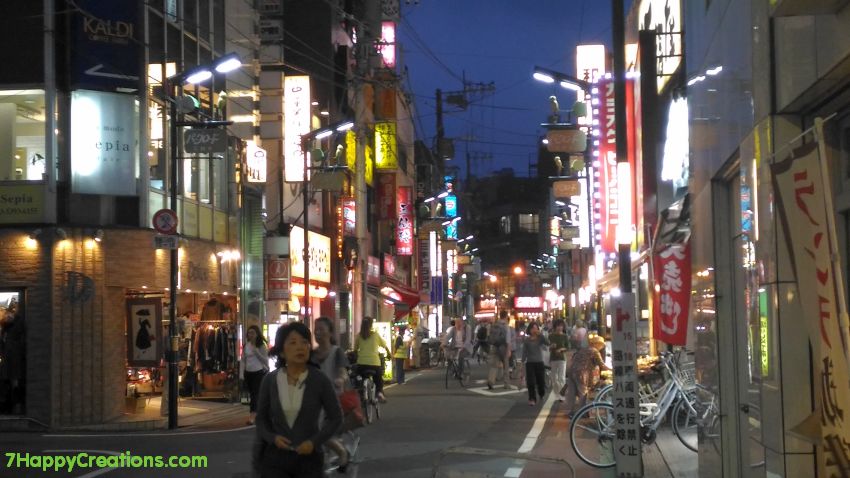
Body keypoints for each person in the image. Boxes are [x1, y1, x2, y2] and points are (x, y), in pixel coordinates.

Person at [254, 322, 342, 478]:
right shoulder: (270, 380)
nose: (300, 347)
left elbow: (336, 418)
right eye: (293, 342)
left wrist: (314, 442)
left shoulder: (319, 380)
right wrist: (273, 438)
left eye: (304, 342)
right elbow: (261, 418)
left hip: (309, 460)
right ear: (282, 351)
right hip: (276, 459)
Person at [313, 316, 350, 472]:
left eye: (321, 329)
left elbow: (343, 372)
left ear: (330, 333)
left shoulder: (337, 352)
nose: (318, 332)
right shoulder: (311, 354)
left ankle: (342, 452)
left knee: (318, 431)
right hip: (314, 401)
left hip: (333, 400)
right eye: (316, 329)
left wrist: (340, 380)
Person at [563, 335, 610, 417]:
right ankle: (583, 412)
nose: (601, 347)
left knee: (571, 392)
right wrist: (612, 370)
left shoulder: (583, 349)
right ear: (596, 344)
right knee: (583, 393)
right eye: (601, 345)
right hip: (581, 373)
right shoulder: (594, 351)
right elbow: (602, 365)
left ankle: (569, 411)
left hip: (572, 371)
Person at [353, 317, 391, 402]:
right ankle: (379, 393)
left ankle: (361, 391)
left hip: (361, 364)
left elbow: (355, 350)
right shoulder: (375, 335)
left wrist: (357, 357)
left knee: (358, 376)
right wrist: (389, 354)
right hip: (374, 363)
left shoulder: (359, 336)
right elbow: (384, 346)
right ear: (371, 325)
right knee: (378, 379)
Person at [240, 325, 269, 425]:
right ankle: (260, 413)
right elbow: (243, 360)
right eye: (249, 333)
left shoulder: (261, 345)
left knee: (254, 395)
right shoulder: (246, 345)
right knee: (254, 394)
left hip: (258, 373)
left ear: (257, 334)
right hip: (248, 373)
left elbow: (266, 361)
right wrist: (241, 374)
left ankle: (252, 416)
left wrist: (257, 352)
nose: (251, 335)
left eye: (253, 333)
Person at [522, 322, 550, 405]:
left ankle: (541, 394)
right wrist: (522, 362)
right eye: (532, 328)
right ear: (529, 330)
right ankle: (532, 398)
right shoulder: (527, 340)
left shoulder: (540, 338)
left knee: (540, 381)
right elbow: (524, 352)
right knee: (530, 382)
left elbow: (548, 342)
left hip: (539, 362)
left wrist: (540, 334)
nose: (534, 330)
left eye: (536, 328)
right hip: (530, 363)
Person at [486, 310, 513, 390]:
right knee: (506, 366)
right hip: (503, 347)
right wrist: (508, 350)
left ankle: (490, 381)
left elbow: (489, 336)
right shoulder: (506, 326)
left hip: (494, 346)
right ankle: (506, 384)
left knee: (494, 365)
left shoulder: (494, 325)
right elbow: (508, 340)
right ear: (505, 316)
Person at [548, 319, 569, 402]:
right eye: (558, 326)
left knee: (562, 378)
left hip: (562, 359)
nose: (559, 328)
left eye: (561, 326)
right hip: (553, 358)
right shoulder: (551, 336)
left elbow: (568, 347)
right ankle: (557, 394)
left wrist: (561, 349)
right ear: (555, 327)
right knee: (554, 378)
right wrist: (551, 347)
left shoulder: (565, 336)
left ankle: (562, 395)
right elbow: (547, 347)